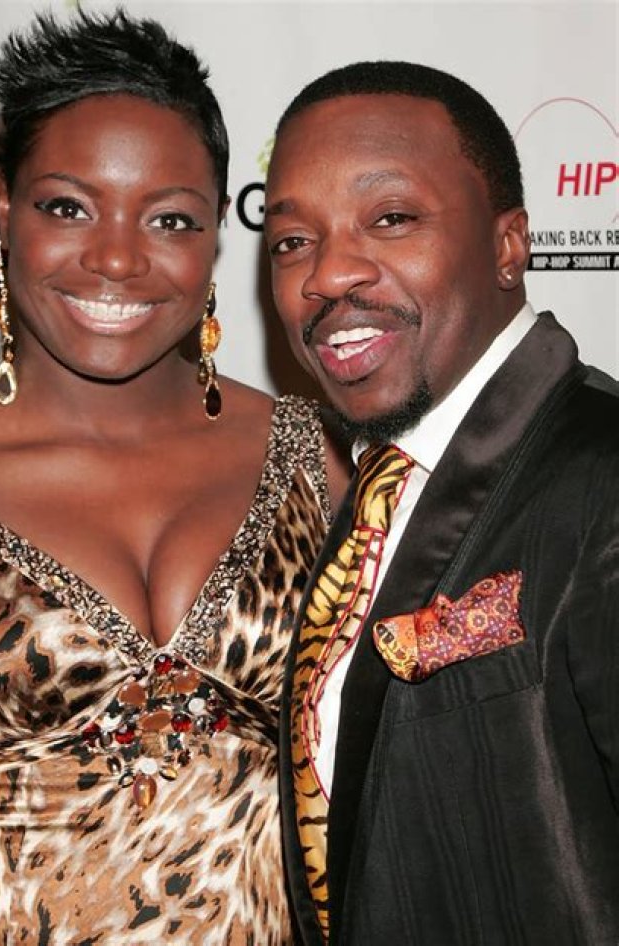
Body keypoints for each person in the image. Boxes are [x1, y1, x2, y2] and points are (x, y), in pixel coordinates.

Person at [0, 9, 348, 943]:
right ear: (2, 212)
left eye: (169, 219)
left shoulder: (321, 461)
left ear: (218, 236)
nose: (115, 257)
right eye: (67, 207)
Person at [264, 61, 619, 945]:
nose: (327, 274)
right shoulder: (378, 488)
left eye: (391, 218)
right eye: (292, 240)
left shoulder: (602, 479)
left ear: (508, 246)